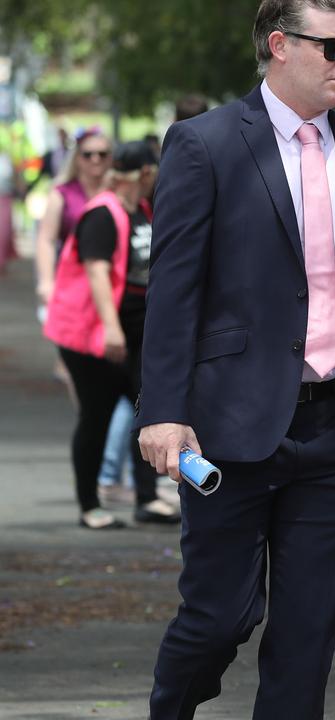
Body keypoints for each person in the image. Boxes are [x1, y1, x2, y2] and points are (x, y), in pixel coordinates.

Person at [137, 1, 335, 717]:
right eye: (332, 47)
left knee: (305, 635)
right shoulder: (206, 144)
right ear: (280, 45)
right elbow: (173, 291)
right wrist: (164, 413)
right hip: (230, 427)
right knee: (219, 618)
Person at [41, 141, 178, 529]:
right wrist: (112, 329)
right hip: (94, 339)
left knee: (148, 413)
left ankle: (147, 499)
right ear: (146, 173)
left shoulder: (142, 211)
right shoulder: (103, 213)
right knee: (96, 417)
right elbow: (97, 272)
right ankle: (89, 506)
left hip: (135, 337)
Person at [34, 128, 113, 308]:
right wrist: (46, 282)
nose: (95, 159)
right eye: (88, 154)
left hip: (112, 281)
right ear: (77, 158)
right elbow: (46, 239)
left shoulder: (118, 191)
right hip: (73, 282)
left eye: (102, 154)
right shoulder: (62, 193)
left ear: (110, 157)